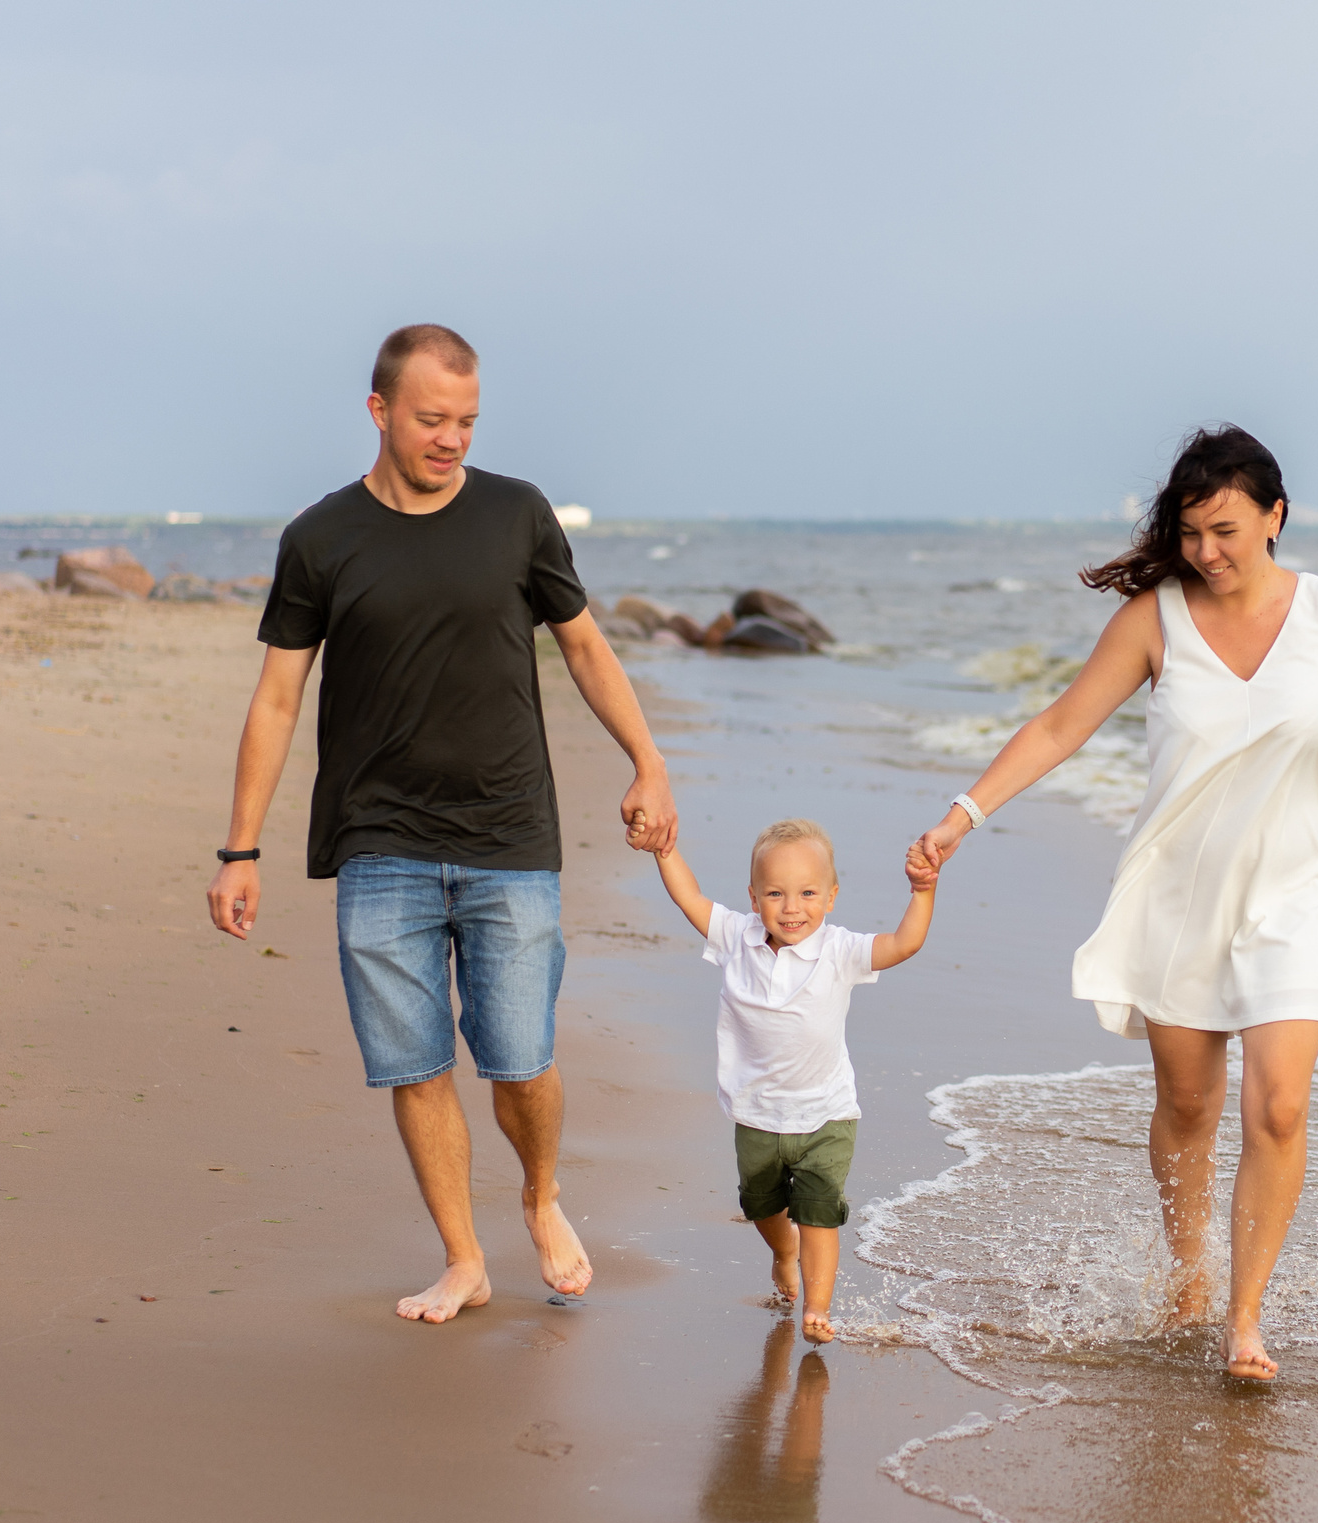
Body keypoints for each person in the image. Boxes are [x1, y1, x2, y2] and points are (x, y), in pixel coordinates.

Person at [913, 425, 1318, 1380]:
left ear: (1276, 517)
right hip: (1178, 892)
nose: (1209, 551)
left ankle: (1244, 1318)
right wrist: (963, 815)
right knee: (1188, 1103)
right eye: (1194, 532)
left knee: (1278, 1105)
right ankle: (1187, 1272)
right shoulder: (1154, 620)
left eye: (1228, 529)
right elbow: (1062, 722)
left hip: (1298, 890)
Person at [205, 322, 678, 1324]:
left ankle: (540, 1195)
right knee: (414, 1063)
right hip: (379, 844)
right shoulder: (322, 540)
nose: (450, 438)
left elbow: (586, 649)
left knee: (520, 1059)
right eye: (430, 419)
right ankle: (464, 1259)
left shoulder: (516, 516)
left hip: (508, 838)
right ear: (379, 412)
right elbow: (277, 700)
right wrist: (239, 850)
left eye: (465, 420)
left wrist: (648, 761)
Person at [645, 817, 937, 1343]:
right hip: (756, 1113)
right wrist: (664, 852)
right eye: (776, 893)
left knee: (820, 1211)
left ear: (831, 897)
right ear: (754, 897)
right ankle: (783, 1252)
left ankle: (817, 1309)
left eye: (807, 892)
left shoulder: (840, 950)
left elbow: (904, 944)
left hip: (827, 1113)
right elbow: (689, 897)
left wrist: (922, 892)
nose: (791, 907)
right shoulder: (738, 938)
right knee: (760, 1203)